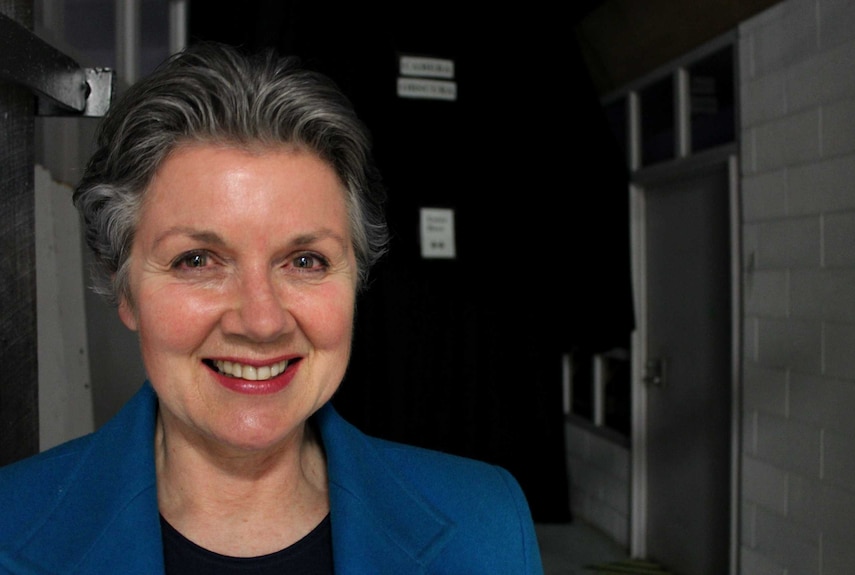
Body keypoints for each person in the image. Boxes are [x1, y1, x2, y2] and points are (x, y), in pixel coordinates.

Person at [0, 41, 543, 574]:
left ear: (356, 279)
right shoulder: (11, 523)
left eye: (305, 261)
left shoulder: (487, 524)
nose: (261, 322)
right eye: (197, 260)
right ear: (124, 289)